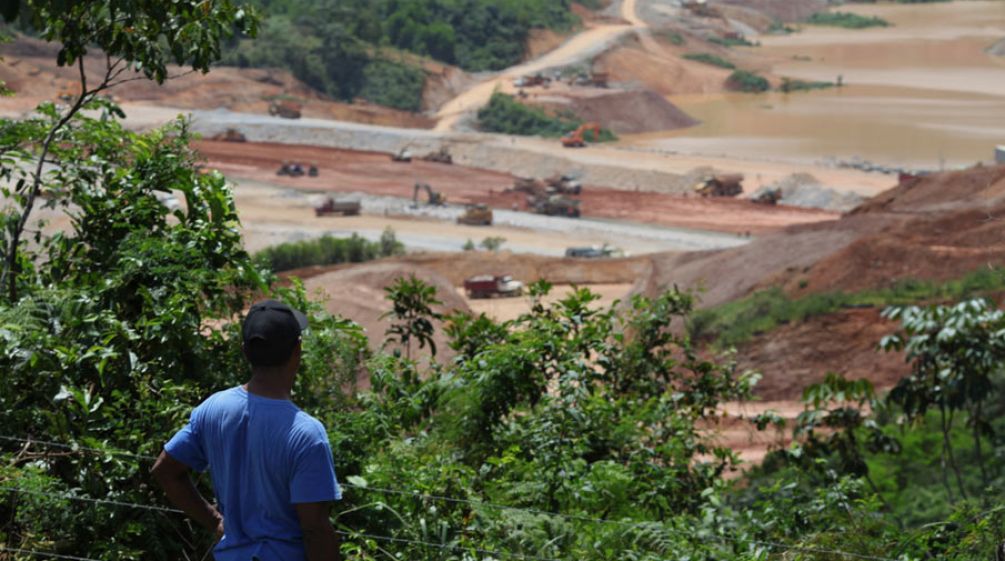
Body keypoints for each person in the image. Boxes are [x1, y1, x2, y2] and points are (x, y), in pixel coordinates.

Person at [152, 300, 342, 561]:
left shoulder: (213, 409)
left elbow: (166, 471)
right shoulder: (307, 433)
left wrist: (216, 521)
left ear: (245, 352)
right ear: (297, 350)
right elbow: (314, 529)